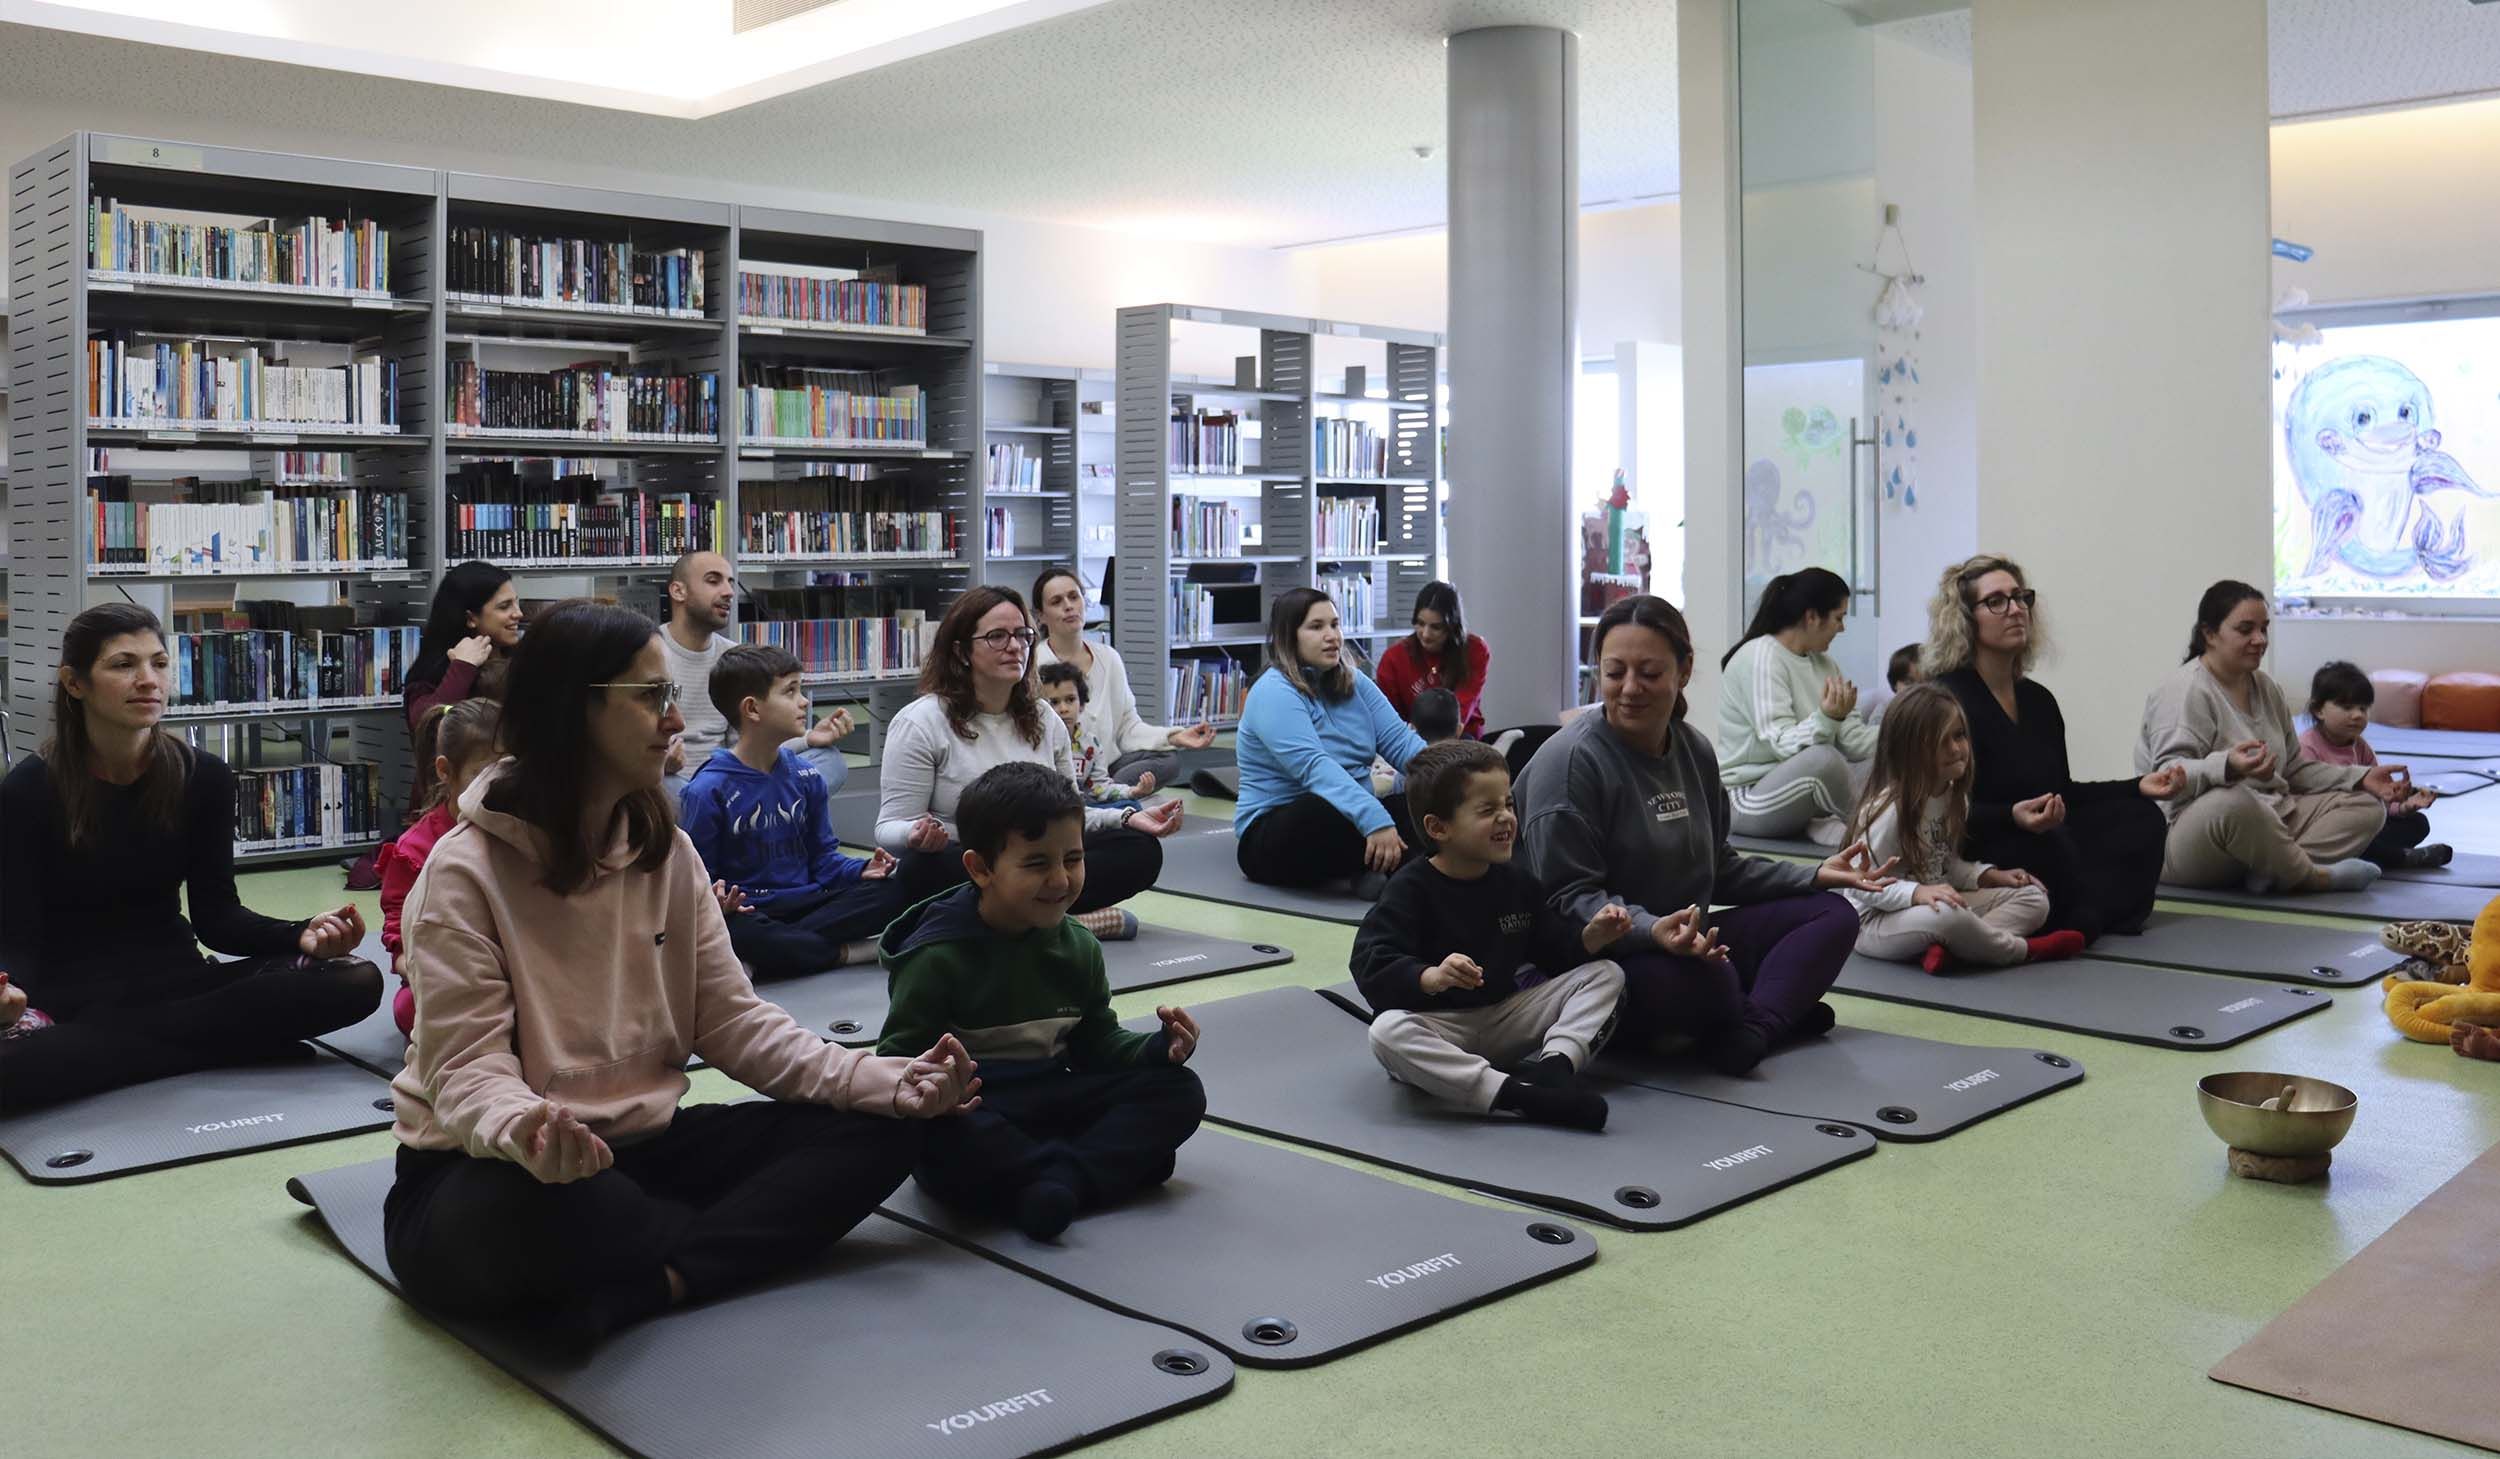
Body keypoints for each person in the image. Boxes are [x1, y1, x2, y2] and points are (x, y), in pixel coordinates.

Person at [381, 599, 981, 1353]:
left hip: (638, 1150)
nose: (675, 720)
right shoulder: (462, 873)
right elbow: (466, 1071)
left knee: (891, 1130)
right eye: (651, 697)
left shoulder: (667, 851)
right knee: (569, 1210)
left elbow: (733, 1022)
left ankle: (661, 1279)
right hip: (496, 1166)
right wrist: (528, 1129)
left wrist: (878, 1080)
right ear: (573, 708)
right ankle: (698, 1244)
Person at [0, 602, 381, 1109]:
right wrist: (9, 996)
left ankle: (134, 1053)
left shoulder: (203, 776)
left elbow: (218, 919)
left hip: (182, 984)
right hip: (73, 997)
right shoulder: (28, 789)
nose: (148, 680)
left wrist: (301, 931)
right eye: (122, 665)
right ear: (75, 683)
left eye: (159, 663)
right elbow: (19, 938)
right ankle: (218, 1046)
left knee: (356, 978)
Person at [1515, 595, 1895, 1075]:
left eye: (1649, 673)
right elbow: (1568, 902)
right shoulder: (1569, 765)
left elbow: (1721, 869)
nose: (1630, 688)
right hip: (1590, 964)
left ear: (1684, 670)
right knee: (1710, 981)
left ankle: (1749, 1029)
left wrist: (1816, 875)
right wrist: (1651, 930)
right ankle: (1766, 1011)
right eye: (1615, 673)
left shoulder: (1693, 749)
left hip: (1686, 944)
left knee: (1832, 915)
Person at [878, 763, 1204, 1241]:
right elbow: (897, 1066)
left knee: (1181, 1090)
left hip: (1053, 1099)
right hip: (978, 1112)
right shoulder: (935, 958)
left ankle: (1052, 1182)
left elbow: (1096, 1043)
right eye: (1036, 863)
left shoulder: (1078, 946)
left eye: (1072, 859)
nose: (1060, 880)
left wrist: (1158, 1049)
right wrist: (937, 1094)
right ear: (980, 868)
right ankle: (1091, 1170)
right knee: (935, 1138)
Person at [1350, 740, 1629, 1130]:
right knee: (1386, 1032)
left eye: (1509, 805)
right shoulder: (1410, 887)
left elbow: (1553, 952)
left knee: (1606, 974)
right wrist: (1430, 977)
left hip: (1502, 1018)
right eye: (1487, 810)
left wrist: (1591, 937)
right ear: (1438, 827)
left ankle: (1555, 1070)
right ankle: (1519, 1097)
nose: (1506, 818)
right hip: (1439, 1027)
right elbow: (1371, 963)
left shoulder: (1517, 882)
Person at [875, 586, 1180, 938]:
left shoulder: (1044, 718)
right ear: (960, 651)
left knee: (1139, 848)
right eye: (997, 637)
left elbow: (1071, 812)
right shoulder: (921, 723)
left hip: (1042, 859)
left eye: (1022, 635)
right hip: (975, 864)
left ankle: (1026, 921)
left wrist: (1128, 816)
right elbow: (887, 829)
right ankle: (1063, 923)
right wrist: (914, 835)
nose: (1015, 646)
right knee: (922, 869)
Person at [1927, 554, 2176, 943]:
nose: (2016, 610)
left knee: (2141, 819)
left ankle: (2080, 914)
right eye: (1997, 601)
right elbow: (1934, 810)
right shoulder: (1945, 699)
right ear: (1965, 619)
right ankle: (2076, 916)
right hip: (1979, 841)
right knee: (2053, 846)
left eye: (2021, 598)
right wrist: (2013, 816)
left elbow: (2065, 792)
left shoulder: (2039, 700)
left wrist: (2136, 786)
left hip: (2043, 831)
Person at [2138, 581, 2406, 895]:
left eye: (2264, 629)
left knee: (2368, 806)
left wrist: (2361, 778)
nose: (2260, 640)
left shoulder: (2267, 688)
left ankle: (2273, 871)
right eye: (2246, 629)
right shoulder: (2184, 691)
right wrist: (2228, 766)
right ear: (2209, 635)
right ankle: (2310, 876)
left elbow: (2294, 768)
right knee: (2234, 801)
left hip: (2273, 817)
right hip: (2192, 836)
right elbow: (2167, 776)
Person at [679, 644, 917, 981]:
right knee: (735, 929)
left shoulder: (806, 777)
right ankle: (842, 953)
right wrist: (719, 903)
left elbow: (824, 861)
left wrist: (863, 868)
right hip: (751, 910)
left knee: (894, 890)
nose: (804, 701)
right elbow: (700, 883)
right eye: (790, 691)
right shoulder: (707, 790)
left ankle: (773, 957)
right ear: (752, 709)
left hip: (808, 903)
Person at [1841, 684, 2086, 973]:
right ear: (1911, 749)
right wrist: (1915, 893)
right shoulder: (1890, 810)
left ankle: (1957, 949)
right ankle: (2023, 950)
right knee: (1947, 917)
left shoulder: (1953, 797)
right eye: (1942, 741)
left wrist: (1987, 875)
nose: (1957, 748)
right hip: (1876, 922)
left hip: (1934, 906)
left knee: (2034, 898)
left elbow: (1943, 864)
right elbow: (1859, 884)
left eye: (1959, 736)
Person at [1234, 587, 1430, 899]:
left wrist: (1458, 782)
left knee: (1425, 802)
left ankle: (1380, 870)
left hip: (1351, 815)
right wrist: (1375, 820)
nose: (1332, 636)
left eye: (1335, 624)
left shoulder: (1355, 681)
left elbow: (1402, 743)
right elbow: (1315, 768)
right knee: (1327, 810)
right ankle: (1396, 872)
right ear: (1289, 637)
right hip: (1277, 831)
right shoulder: (1272, 692)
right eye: (1316, 627)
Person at [658, 550, 850, 801]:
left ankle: (748, 809)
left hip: (729, 782)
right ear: (678, 591)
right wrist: (659, 764)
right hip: (677, 784)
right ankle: (758, 810)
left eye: (730, 582)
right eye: (713, 581)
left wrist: (808, 739)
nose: (728, 592)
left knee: (829, 759)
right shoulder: (647, 652)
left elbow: (747, 743)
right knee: (662, 785)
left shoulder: (732, 656)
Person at [1715, 568, 1879, 844]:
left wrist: (1906, 733)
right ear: (1812, 616)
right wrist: (1828, 718)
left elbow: (1854, 742)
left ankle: (1829, 824)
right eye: (1839, 617)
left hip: (1796, 793)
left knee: (1886, 757)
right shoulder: (1761, 657)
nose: (1842, 628)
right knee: (1825, 758)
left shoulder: (1825, 664)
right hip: (1746, 800)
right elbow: (1781, 743)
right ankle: (1874, 832)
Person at [1031, 567, 1216, 792]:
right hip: (1060, 770)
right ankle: (1104, 796)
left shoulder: (1109, 657)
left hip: (1107, 765)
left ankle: (1104, 793)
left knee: (1168, 760)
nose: (1069, 606)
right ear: (1041, 615)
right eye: (1056, 601)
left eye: (1073, 597)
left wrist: (1176, 736)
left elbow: (1128, 728)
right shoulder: (1034, 665)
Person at [380, 698, 503, 1036]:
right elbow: (400, 941)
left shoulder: (520, 831)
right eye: (481, 774)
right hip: (444, 975)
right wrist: (426, 975)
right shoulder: (414, 849)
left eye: (506, 770)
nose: (496, 785)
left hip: (511, 971)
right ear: (445, 771)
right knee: (410, 1009)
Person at [2301, 660, 2452, 871]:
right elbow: (2305, 805)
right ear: (2319, 710)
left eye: (2363, 708)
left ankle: (2372, 857)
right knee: (2361, 839)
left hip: (2365, 820)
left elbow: (2382, 802)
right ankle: (2401, 858)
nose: (2357, 715)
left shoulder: (2361, 748)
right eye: (2346, 707)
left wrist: (2405, 806)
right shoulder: (2307, 747)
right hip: (2329, 826)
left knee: (2418, 823)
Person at [405, 560, 522, 732]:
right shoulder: (434, 675)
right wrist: (462, 668)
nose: (519, 613)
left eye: (516, 602)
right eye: (504, 607)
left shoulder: (523, 659)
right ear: (470, 618)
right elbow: (427, 727)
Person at [1373, 581, 1492, 740]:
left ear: (1452, 627)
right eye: (1420, 624)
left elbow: (1463, 708)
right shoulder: (1394, 659)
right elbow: (1390, 719)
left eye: (1436, 627)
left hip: (1461, 737)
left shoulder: (1475, 650)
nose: (1426, 634)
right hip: (1412, 739)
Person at [1036, 660, 1154, 806]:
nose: (1063, 708)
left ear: (1082, 704)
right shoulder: (1039, 743)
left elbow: (1100, 788)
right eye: (1054, 702)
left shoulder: (1091, 743)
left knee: (1131, 807)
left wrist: (1133, 791)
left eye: (1070, 700)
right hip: (1055, 808)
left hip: (1086, 804)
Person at [1865, 642, 1926, 723]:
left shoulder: (1939, 712)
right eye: (1908, 683)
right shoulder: (1885, 711)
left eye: (1925, 683)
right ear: (1895, 685)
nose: (1916, 690)